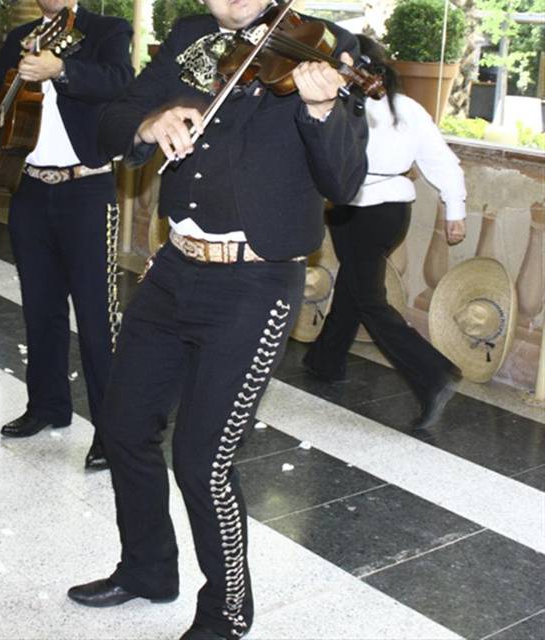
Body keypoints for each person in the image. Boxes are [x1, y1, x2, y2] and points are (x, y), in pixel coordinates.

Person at [66, 1, 369, 638]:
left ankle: (227, 611)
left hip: (255, 283)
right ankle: (148, 569)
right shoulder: (190, 37)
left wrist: (320, 110)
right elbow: (114, 116)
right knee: (122, 426)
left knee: (203, 460)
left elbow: (344, 182)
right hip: (176, 267)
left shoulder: (323, 46)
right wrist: (151, 123)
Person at [0, 0, 133, 470]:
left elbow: (120, 82)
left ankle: (112, 433)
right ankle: (48, 405)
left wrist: (62, 69)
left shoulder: (107, 29)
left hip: (87, 188)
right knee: (40, 309)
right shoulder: (21, 37)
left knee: (97, 319)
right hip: (31, 188)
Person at [303, 34, 466, 431]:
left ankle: (434, 374)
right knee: (357, 284)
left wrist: (456, 208)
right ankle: (326, 360)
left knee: (369, 298)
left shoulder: (340, 103)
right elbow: (441, 161)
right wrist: (455, 209)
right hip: (393, 212)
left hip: (356, 211)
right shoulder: (406, 106)